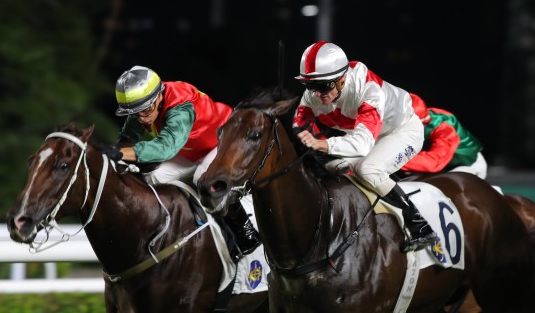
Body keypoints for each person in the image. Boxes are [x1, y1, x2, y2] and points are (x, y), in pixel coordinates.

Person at [292, 41, 437, 252]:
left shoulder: (369, 90)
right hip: (367, 133)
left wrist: (322, 144)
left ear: (342, 79)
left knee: (367, 170)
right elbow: (298, 123)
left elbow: (362, 144)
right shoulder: (317, 91)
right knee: (332, 167)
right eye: (310, 86)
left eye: (323, 86)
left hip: (402, 131)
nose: (317, 94)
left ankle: (419, 224)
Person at [102, 65, 259, 255]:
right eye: (135, 113)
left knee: (204, 178)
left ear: (159, 95)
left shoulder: (180, 107)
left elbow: (165, 147)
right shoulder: (145, 103)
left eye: (146, 110)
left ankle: (244, 233)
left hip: (224, 141)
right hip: (193, 149)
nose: (142, 118)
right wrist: (112, 152)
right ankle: (180, 227)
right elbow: (127, 138)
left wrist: (122, 154)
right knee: (155, 176)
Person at [401, 93, 488, 180]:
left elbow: (433, 163)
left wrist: (393, 160)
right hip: (436, 166)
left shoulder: (445, 129)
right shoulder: (417, 116)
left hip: (466, 165)